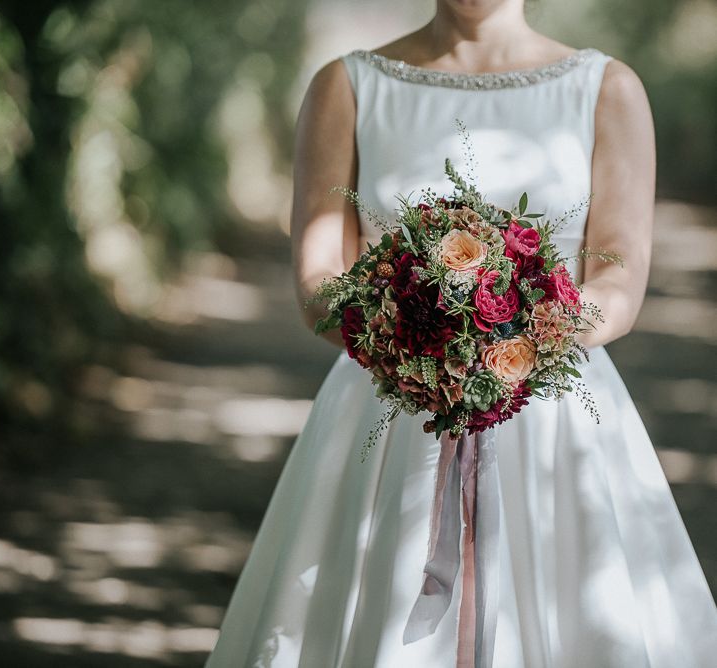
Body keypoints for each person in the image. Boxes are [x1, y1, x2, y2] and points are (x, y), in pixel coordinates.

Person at [205, 1, 717, 666]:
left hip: (555, 420)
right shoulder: (348, 84)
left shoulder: (607, 88)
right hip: (392, 409)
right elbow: (318, 282)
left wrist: (515, 341)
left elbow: (619, 280)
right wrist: (416, 343)